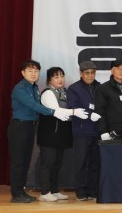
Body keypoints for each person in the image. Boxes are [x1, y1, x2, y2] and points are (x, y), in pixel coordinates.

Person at [7, 60, 73, 203]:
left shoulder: (35, 87)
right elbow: (33, 105)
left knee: (25, 161)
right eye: (30, 71)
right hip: (20, 127)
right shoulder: (20, 88)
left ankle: (21, 191)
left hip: (30, 127)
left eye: (36, 71)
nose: (33, 74)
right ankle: (16, 194)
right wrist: (53, 112)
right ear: (23, 73)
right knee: (18, 162)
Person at [36, 67, 89, 202]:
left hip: (61, 133)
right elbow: (56, 110)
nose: (60, 79)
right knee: (48, 163)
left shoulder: (64, 92)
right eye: (56, 77)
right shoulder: (48, 93)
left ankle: (54, 190)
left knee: (57, 163)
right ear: (49, 80)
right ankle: (44, 192)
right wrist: (74, 112)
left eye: (61, 76)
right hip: (49, 133)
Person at [67, 61, 102, 201]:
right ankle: (81, 191)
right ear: (81, 73)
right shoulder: (74, 88)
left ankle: (92, 190)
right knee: (81, 162)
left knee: (95, 163)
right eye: (87, 73)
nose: (90, 75)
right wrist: (89, 113)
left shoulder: (99, 87)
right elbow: (72, 106)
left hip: (97, 131)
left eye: (93, 73)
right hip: (81, 131)